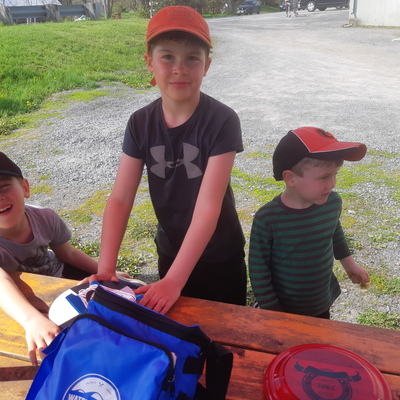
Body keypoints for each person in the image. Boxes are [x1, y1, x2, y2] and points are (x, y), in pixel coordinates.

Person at [86, 6, 247, 315]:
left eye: (192, 58)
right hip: (171, 250)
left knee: (223, 330)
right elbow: (121, 198)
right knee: (175, 330)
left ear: (207, 65)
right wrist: (105, 268)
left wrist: (174, 280)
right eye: (168, 57)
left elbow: (208, 206)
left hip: (219, 255)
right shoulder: (140, 122)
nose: (179, 69)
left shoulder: (223, 120)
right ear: (149, 62)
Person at [249, 127, 370, 319]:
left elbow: (334, 231)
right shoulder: (268, 218)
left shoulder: (332, 203)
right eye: (324, 177)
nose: (332, 184)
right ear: (291, 178)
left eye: (335, 174)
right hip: (281, 309)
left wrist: (349, 264)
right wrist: (272, 309)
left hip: (320, 302)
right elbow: (258, 268)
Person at [0, 152, 101, 365]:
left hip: (61, 277)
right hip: (22, 298)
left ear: (25, 188)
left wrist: (103, 270)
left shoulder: (45, 217)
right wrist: (32, 320)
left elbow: (68, 253)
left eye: (3, 187)